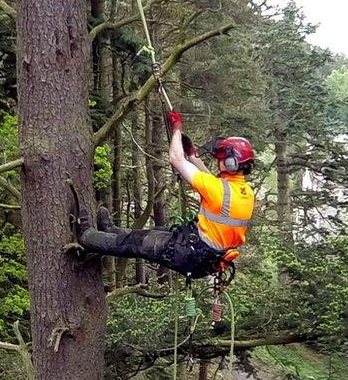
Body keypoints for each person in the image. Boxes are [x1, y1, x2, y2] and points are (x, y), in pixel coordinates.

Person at [73, 108, 256, 282]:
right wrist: (192, 155)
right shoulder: (245, 192)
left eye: (223, 158)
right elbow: (211, 181)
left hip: (189, 253)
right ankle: (112, 231)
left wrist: (177, 130)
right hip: (207, 259)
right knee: (154, 232)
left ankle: (88, 237)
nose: (219, 160)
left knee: (136, 243)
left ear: (232, 163)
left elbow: (176, 159)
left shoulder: (217, 189)